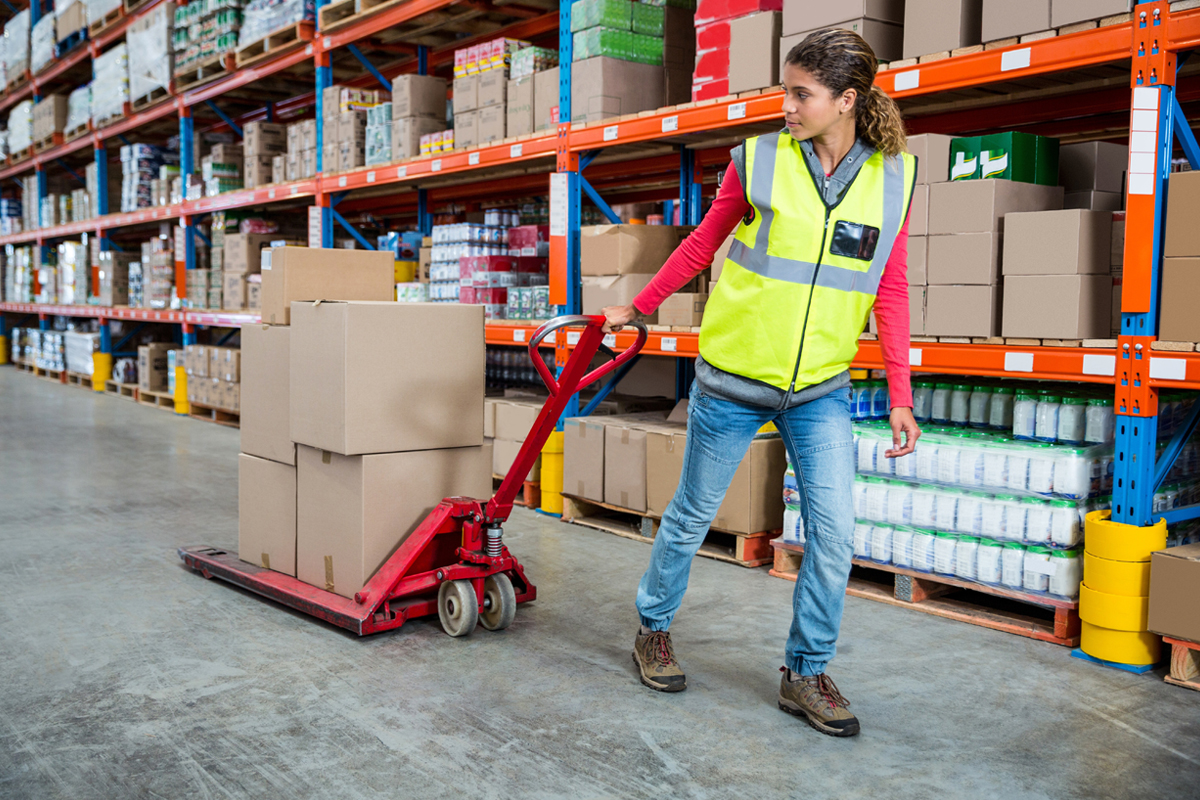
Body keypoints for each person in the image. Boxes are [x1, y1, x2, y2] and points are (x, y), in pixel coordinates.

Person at [603, 28, 920, 738]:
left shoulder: (893, 177)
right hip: (734, 377)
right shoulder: (759, 160)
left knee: (835, 535)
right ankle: (652, 629)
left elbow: (889, 286)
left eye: (799, 94)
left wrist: (900, 392)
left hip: (820, 390)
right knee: (691, 514)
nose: (785, 105)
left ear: (845, 100)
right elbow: (702, 241)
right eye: (784, 90)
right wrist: (641, 304)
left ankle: (804, 672)